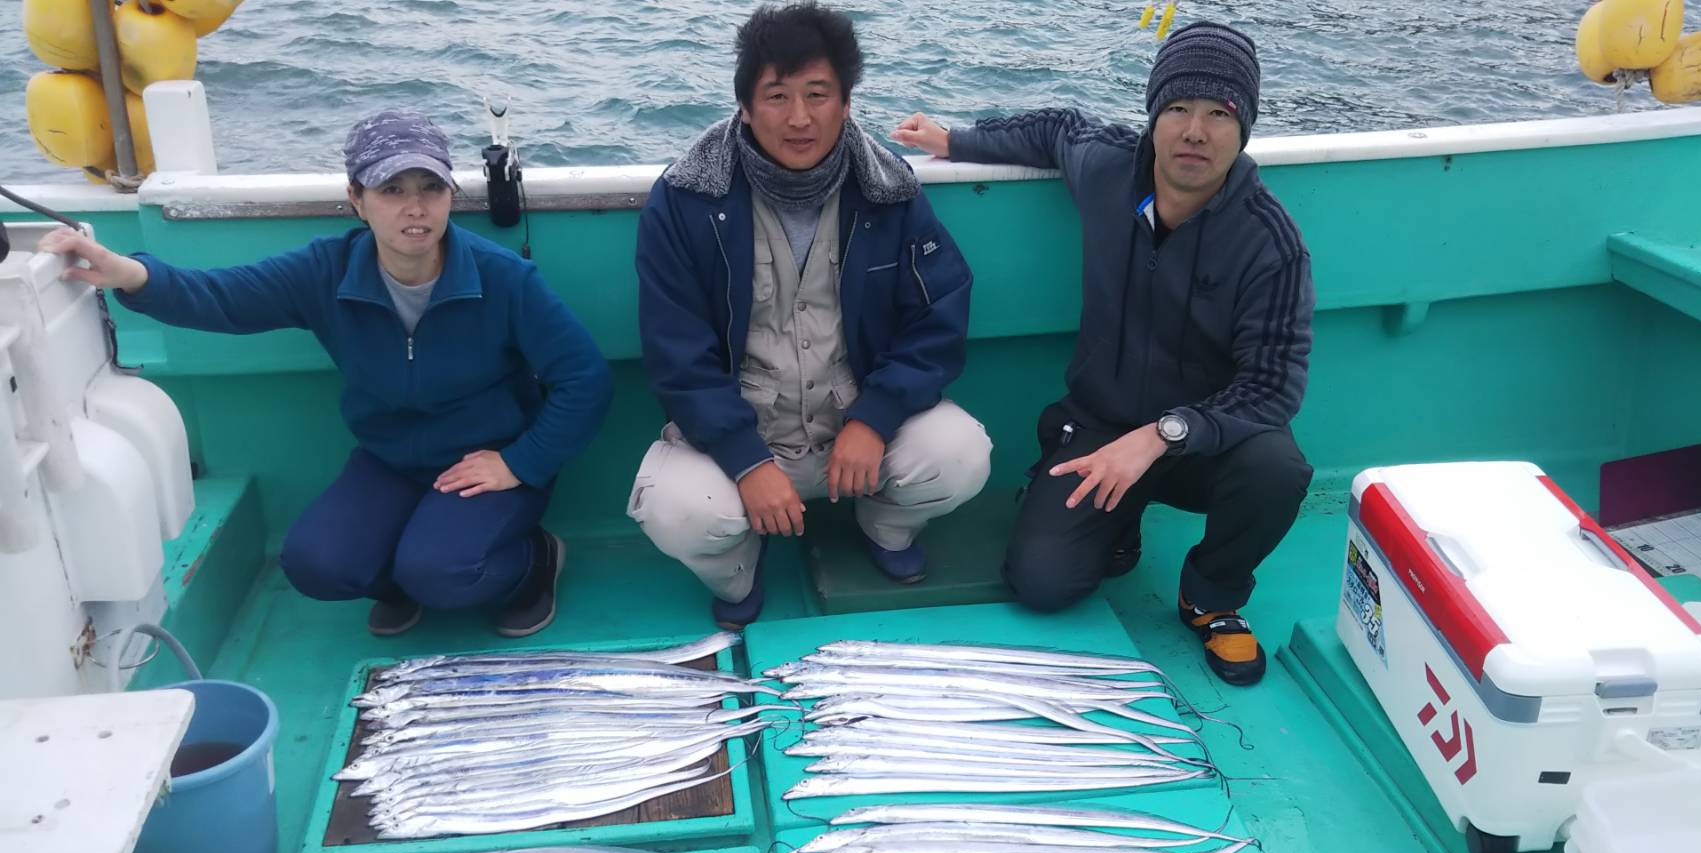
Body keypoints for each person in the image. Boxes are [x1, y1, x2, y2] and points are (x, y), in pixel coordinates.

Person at [39, 109, 613, 638]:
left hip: (486, 463)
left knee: (441, 573)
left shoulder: (503, 278)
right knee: (316, 565)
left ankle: (533, 563)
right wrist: (131, 275)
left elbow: (583, 377)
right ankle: (400, 577)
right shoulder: (325, 271)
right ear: (356, 199)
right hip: (390, 461)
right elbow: (223, 297)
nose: (415, 208)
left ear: (449, 195)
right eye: (392, 190)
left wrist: (519, 462)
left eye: (431, 188)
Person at [893, 22, 1313, 685]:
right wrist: (956, 140)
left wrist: (1165, 434)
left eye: (1218, 114)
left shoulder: (1270, 242)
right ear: (1153, 115)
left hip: (1202, 440)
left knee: (1277, 468)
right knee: (1042, 582)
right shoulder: (1110, 169)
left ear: (1243, 129)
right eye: (1178, 108)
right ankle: (1121, 522)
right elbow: (1057, 128)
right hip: (1100, 425)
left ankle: (1211, 596)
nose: (1195, 131)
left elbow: (1273, 386)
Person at [630, 1, 992, 630]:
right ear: (745, 107)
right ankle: (737, 564)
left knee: (961, 454)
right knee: (678, 511)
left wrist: (875, 418)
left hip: (857, 428)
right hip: (741, 434)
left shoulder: (891, 191)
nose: (799, 118)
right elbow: (676, 354)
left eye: (818, 94)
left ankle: (885, 524)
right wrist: (745, 458)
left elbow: (938, 317)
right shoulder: (685, 199)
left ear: (846, 103)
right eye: (777, 96)